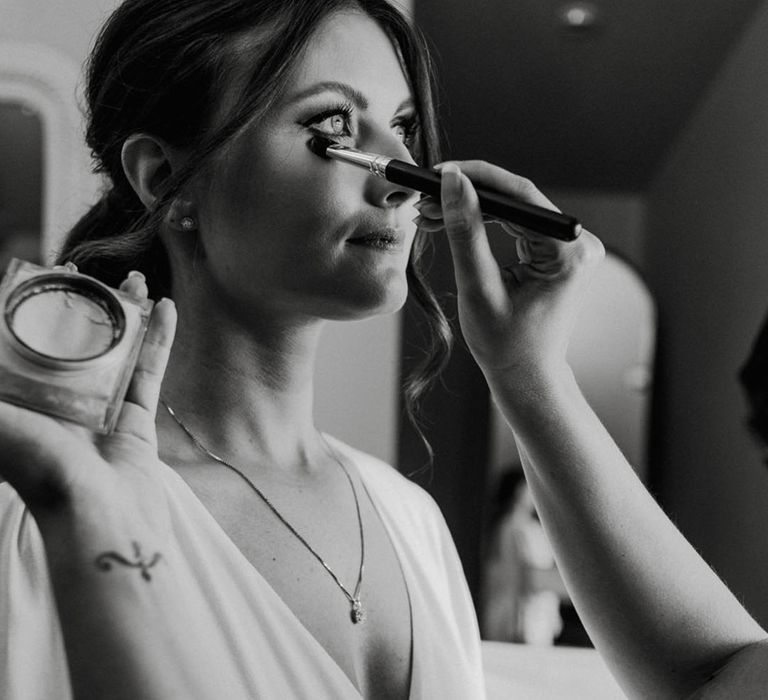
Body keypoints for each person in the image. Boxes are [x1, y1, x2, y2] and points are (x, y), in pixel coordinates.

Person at [1, 1, 767, 699]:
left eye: (403, 127)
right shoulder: (45, 507)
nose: (404, 177)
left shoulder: (411, 520)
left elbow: (714, 675)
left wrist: (531, 372)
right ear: (165, 178)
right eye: (332, 126)